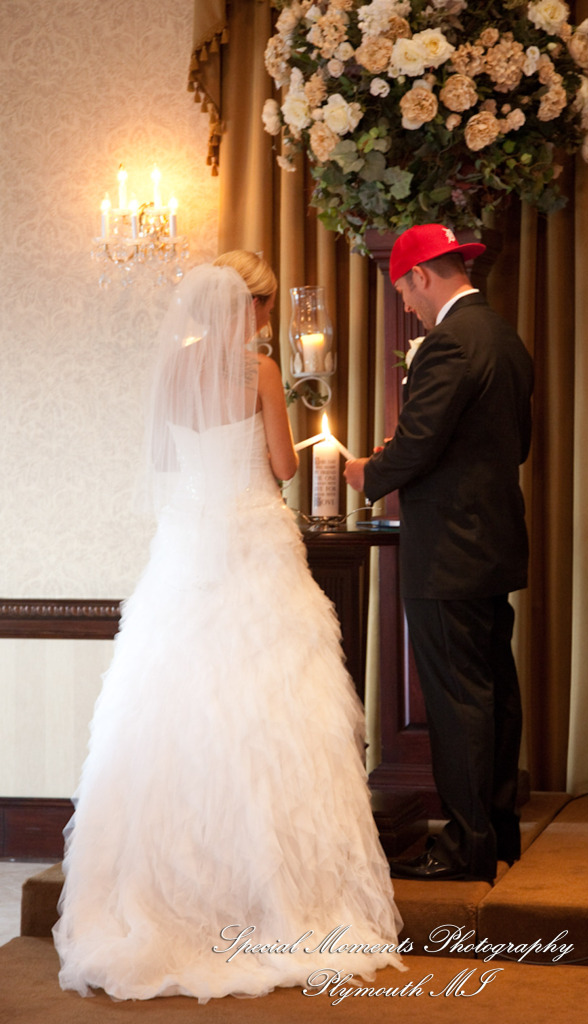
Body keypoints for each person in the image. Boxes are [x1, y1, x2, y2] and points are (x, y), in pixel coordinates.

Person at [53, 252, 404, 1002]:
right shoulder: (259, 372)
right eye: (265, 309)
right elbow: (279, 463)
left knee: (178, 703)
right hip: (251, 541)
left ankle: (166, 890)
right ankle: (275, 893)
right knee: (269, 711)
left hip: (186, 544)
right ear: (255, 310)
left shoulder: (173, 371)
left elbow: (160, 457)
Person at [345, 224, 534, 884]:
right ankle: (499, 831)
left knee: (458, 699)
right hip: (492, 545)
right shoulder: (504, 337)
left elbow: (418, 443)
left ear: (423, 275)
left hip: (450, 551)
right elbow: (518, 445)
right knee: (492, 692)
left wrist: (366, 472)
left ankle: (465, 847)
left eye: (403, 291)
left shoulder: (450, 341)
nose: (405, 306)